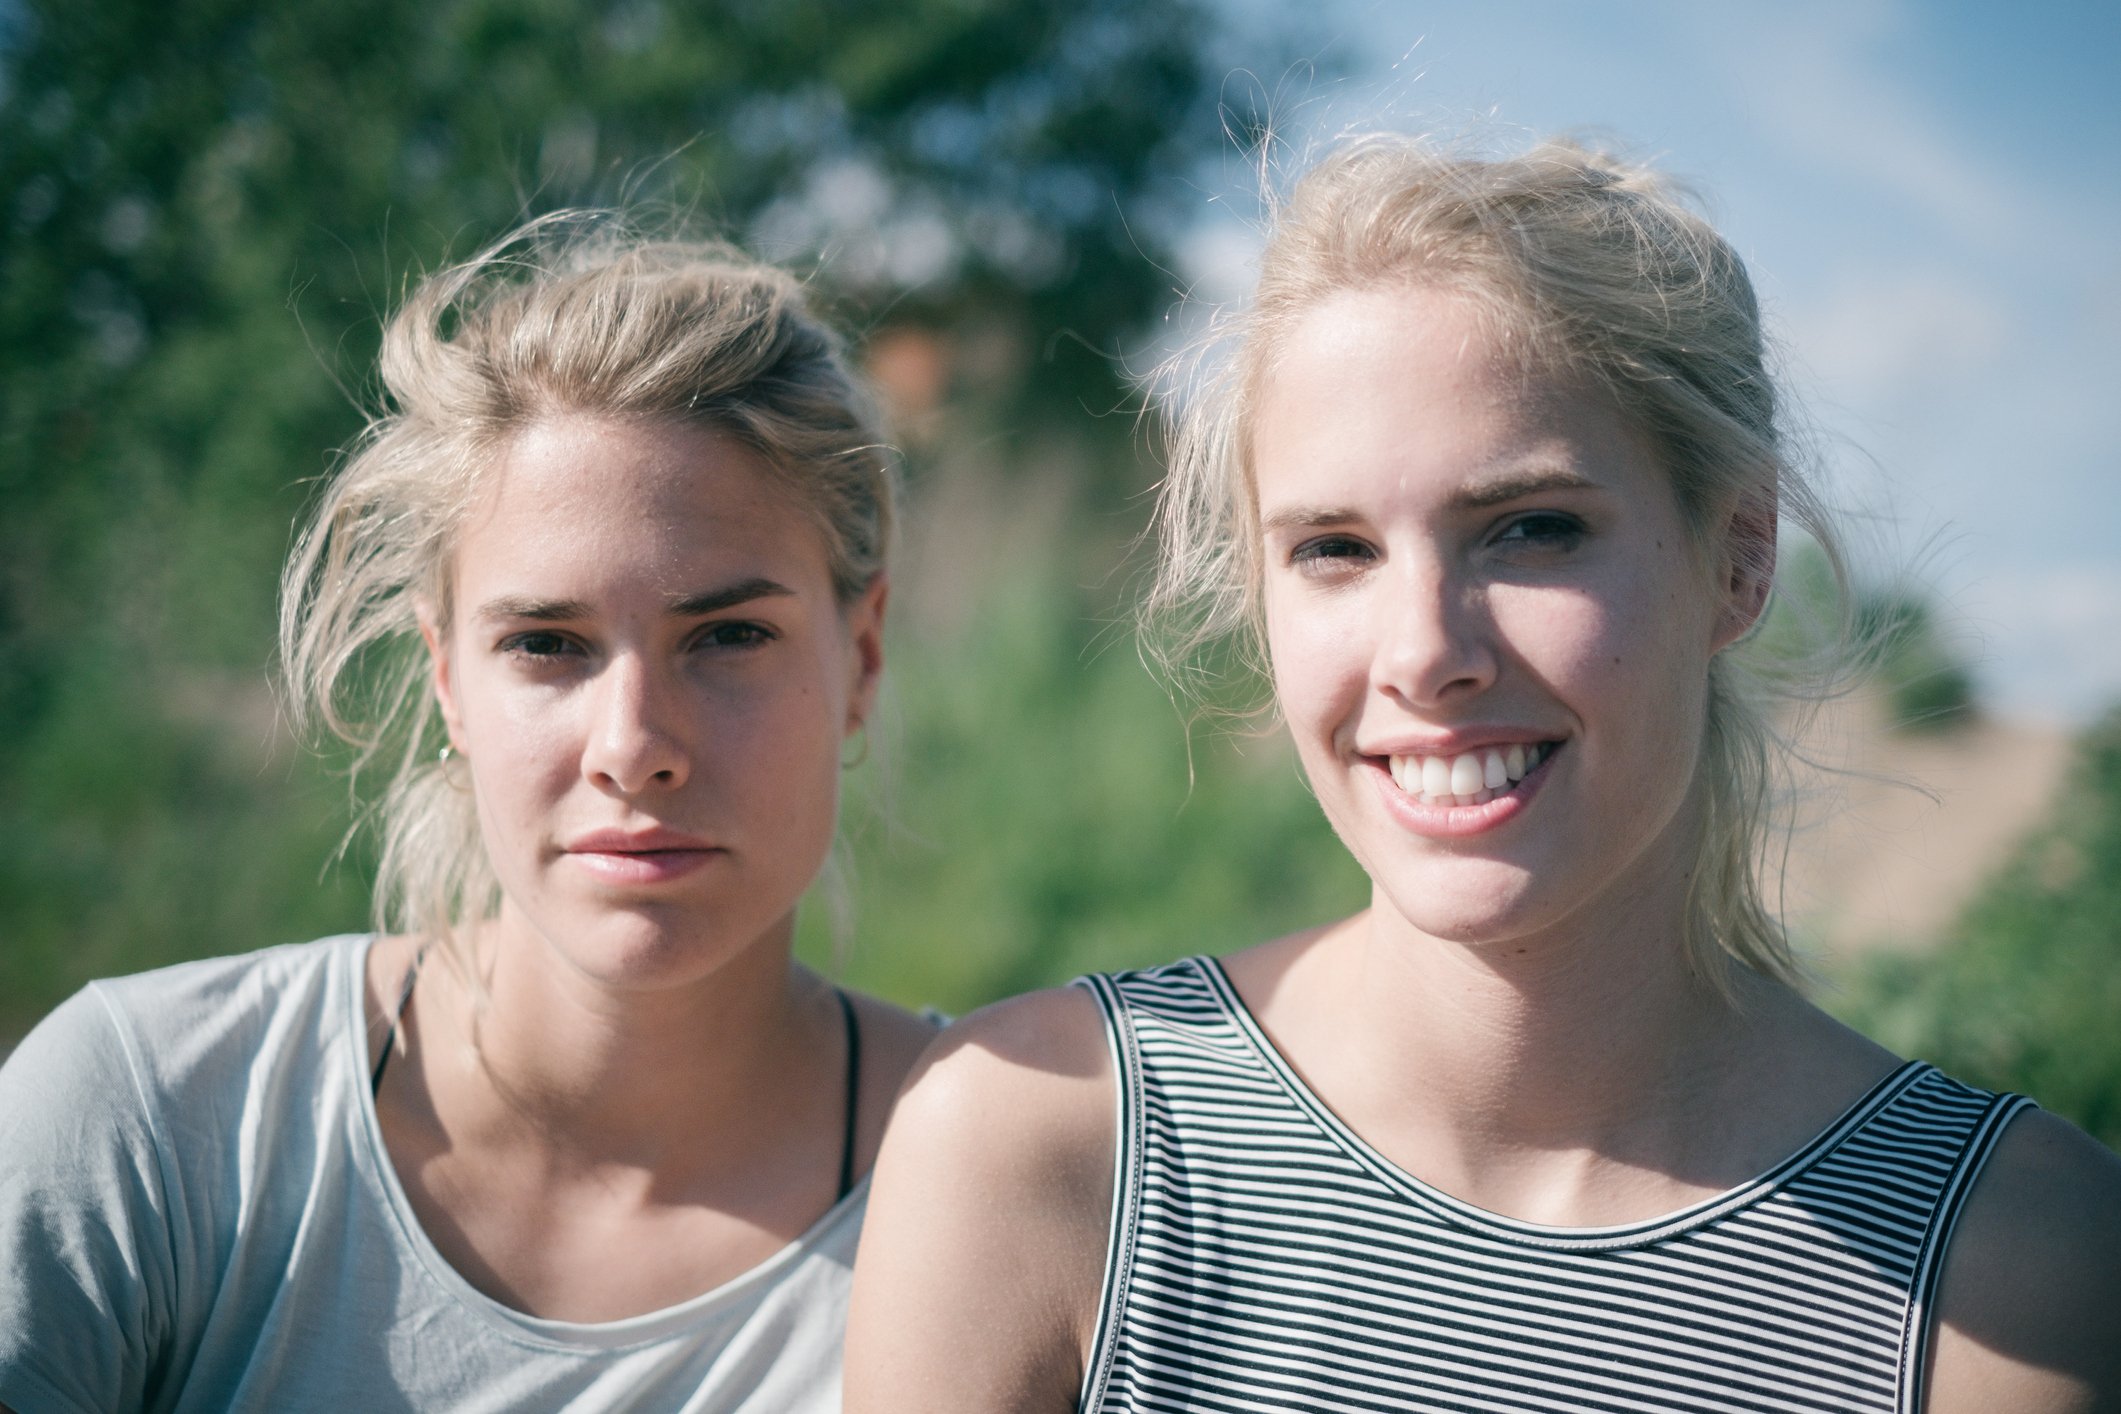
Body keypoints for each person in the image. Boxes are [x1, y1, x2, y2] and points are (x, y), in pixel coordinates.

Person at [843, 137, 2121, 1413]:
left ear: (1737, 556)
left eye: (1530, 528)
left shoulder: (2021, 1271)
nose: (1425, 654)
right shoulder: (1041, 1149)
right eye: (1335, 548)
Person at [0, 215, 936, 1411]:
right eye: (546, 644)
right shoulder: (155, 1119)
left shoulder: (1016, 1181)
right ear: (447, 679)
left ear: (860, 659)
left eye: (730, 635)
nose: (633, 746)